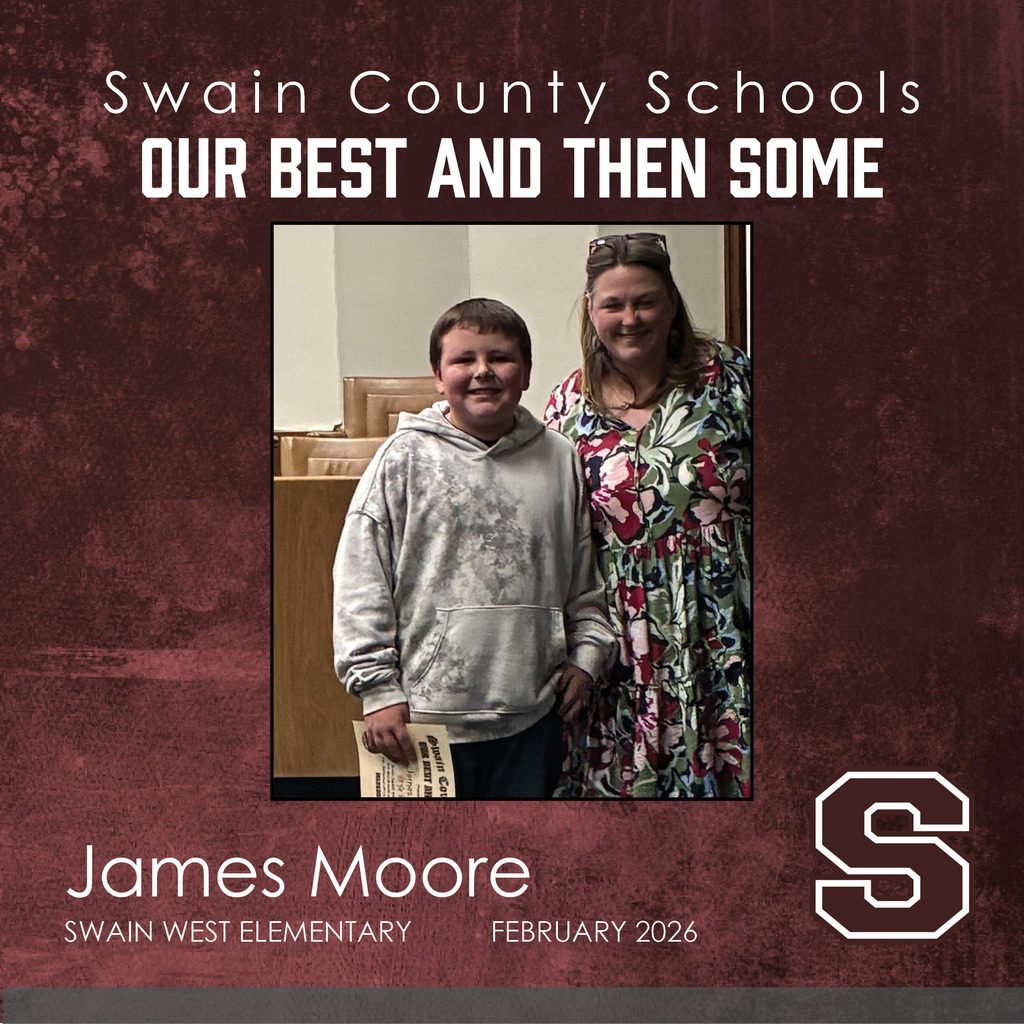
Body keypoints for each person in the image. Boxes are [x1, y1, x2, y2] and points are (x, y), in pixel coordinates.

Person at [333, 298, 615, 799]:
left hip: (534, 718)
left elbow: (581, 577)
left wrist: (587, 653)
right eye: (464, 360)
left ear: (526, 373)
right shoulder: (403, 457)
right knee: (427, 868)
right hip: (421, 723)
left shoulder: (559, 457)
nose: (482, 372)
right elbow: (361, 577)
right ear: (438, 376)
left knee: (518, 864)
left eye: (500, 358)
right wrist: (376, 689)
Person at [544, 233, 751, 798]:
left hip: (726, 629)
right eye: (613, 304)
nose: (630, 318)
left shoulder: (730, 378)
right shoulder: (568, 405)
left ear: (672, 304)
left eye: (645, 301)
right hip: (622, 644)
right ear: (591, 310)